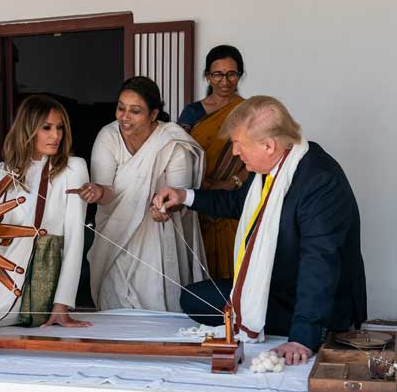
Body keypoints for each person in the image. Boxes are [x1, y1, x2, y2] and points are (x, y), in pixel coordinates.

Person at [152, 96, 367, 365]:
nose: (234, 153)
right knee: (193, 297)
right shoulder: (272, 165)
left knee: (218, 307)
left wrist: (302, 337)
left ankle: (313, 330)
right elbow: (237, 203)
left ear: (268, 145)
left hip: (314, 301)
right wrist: (184, 196)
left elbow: (319, 264)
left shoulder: (319, 181)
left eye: (238, 144)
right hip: (273, 286)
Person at [79, 77, 206, 312]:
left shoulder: (172, 141)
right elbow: (108, 192)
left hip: (156, 234)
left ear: (154, 113)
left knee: (155, 299)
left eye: (135, 111)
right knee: (114, 305)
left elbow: (179, 194)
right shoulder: (108, 136)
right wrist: (97, 191)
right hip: (114, 233)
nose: (124, 117)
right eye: (120, 108)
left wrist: (163, 208)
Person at [0, 95, 92, 328]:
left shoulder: (73, 168)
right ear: (27, 129)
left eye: (60, 128)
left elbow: (74, 239)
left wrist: (62, 305)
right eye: (47, 128)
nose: (56, 136)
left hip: (37, 277)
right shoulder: (3, 172)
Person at [178, 45, 249, 279]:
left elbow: (256, 157)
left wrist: (233, 182)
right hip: (198, 199)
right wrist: (200, 183)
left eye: (232, 74)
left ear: (240, 75)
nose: (225, 81)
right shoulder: (192, 113)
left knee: (236, 268)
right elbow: (179, 153)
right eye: (218, 74)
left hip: (233, 200)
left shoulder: (248, 111)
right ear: (208, 76)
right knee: (198, 268)